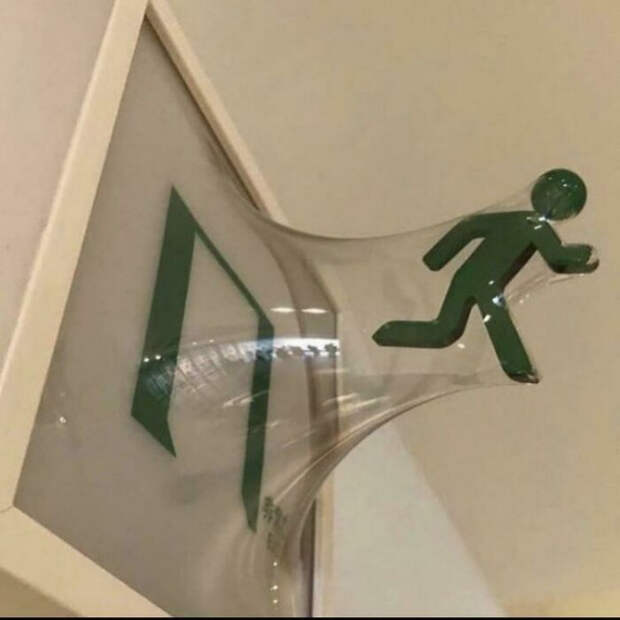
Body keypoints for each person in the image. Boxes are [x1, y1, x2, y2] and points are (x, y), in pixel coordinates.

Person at [372, 169, 598, 383]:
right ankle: (517, 367)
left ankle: (387, 332)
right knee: (477, 322)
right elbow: (556, 255)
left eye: (561, 199)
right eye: (556, 196)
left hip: (468, 278)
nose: (556, 201)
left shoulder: (525, 223)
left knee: (445, 328)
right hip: (482, 284)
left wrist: (436, 258)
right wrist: (583, 254)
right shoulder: (533, 227)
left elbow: (469, 227)